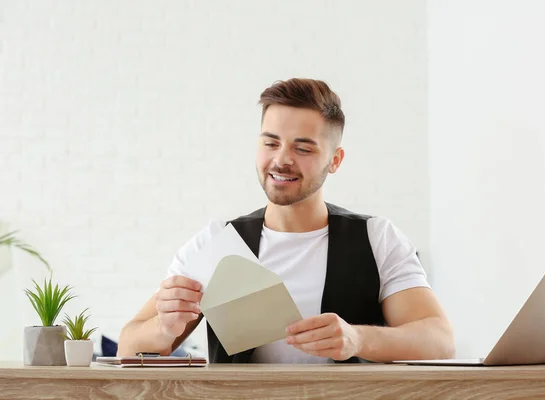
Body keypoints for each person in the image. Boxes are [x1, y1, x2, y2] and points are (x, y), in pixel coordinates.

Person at [117, 78, 455, 363]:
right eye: (271, 143)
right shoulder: (216, 244)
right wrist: (165, 328)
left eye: (303, 149)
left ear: (334, 160)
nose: (282, 160)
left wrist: (358, 339)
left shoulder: (376, 238)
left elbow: (440, 340)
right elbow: (128, 345)